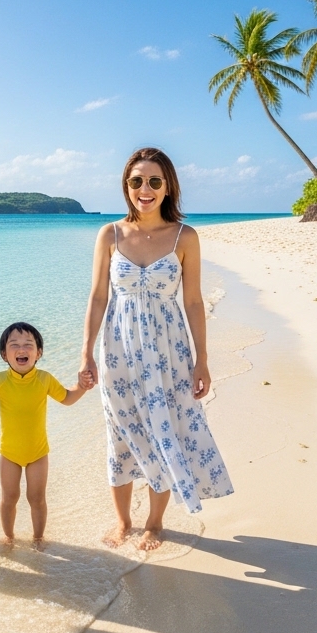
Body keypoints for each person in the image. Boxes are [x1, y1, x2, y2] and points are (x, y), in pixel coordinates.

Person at [79, 147, 233, 551]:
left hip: (169, 354)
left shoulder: (185, 237)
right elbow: (97, 298)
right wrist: (85, 353)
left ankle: (154, 523)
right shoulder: (109, 234)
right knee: (122, 434)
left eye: (153, 181)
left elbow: (194, 302)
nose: (144, 189)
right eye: (135, 181)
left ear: (167, 188)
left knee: (165, 430)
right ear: (126, 186)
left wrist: (202, 359)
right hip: (118, 353)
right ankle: (122, 521)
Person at [0, 322, 94, 549]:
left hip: (38, 453)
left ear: (38, 352)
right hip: (8, 454)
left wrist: (82, 387)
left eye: (28, 345)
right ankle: (8, 538)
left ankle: (38, 539)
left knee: (36, 499)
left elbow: (67, 398)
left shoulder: (44, 379)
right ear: (4, 354)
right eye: (14, 345)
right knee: (9, 499)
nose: (22, 349)